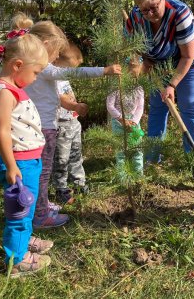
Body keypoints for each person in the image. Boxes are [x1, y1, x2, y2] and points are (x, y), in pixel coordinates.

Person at [21, 18, 121, 229]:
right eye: (56, 52)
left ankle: (42, 204)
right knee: (44, 172)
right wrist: (105, 70)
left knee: (42, 171)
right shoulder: (43, 69)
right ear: (45, 45)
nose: (57, 57)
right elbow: (74, 72)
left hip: (39, 126)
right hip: (45, 129)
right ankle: (40, 216)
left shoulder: (29, 68)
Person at [0, 31, 53, 277]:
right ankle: (17, 260)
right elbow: (3, 132)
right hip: (21, 164)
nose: (36, 79)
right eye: (35, 73)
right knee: (19, 212)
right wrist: (12, 166)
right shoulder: (4, 92)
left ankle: (24, 241)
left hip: (29, 162)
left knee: (27, 207)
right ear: (17, 65)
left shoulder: (12, 87)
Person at [125, 0, 194, 162]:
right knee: (157, 107)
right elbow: (131, 49)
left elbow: (188, 55)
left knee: (189, 107)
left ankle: (193, 160)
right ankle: (153, 158)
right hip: (156, 64)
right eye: (145, 10)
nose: (150, 14)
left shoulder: (179, 13)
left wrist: (172, 84)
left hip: (190, 61)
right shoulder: (135, 16)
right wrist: (140, 64)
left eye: (154, 7)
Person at [52, 42, 89, 204]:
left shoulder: (63, 78)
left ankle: (79, 182)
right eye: (69, 68)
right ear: (56, 62)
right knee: (61, 158)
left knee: (76, 154)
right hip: (61, 124)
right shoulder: (52, 79)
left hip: (73, 121)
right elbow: (60, 99)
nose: (70, 73)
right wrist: (75, 106)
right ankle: (61, 188)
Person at [106, 56, 145, 176]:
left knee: (137, 148)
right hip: (118, 122)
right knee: (120, 149)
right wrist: (121, 119)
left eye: (135, 76)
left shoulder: (139, 88)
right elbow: (110, 105)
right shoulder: (116, 87)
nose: (132, 79)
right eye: (130, 76)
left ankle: (138, 174)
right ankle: (122, 175)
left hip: (134, 122)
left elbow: (140, 107)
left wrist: (134, 121)